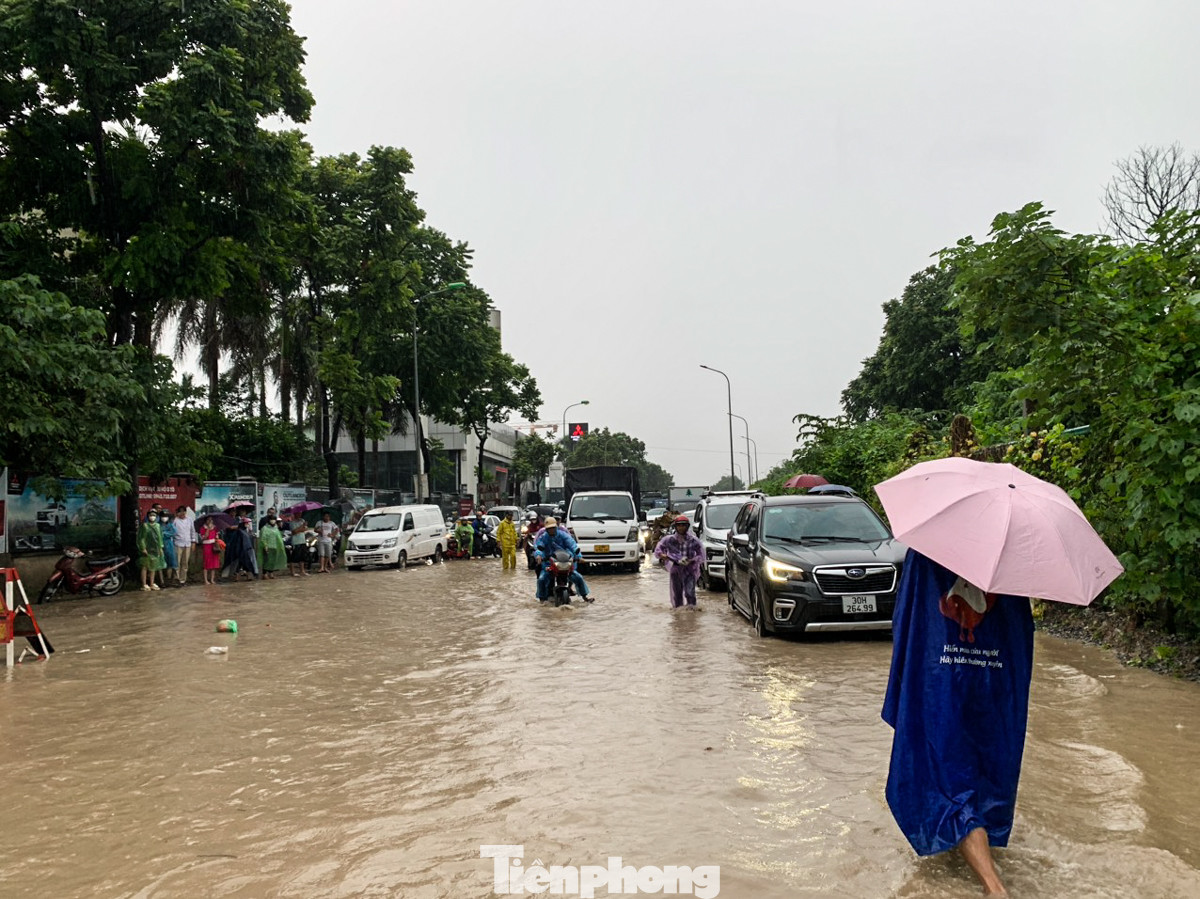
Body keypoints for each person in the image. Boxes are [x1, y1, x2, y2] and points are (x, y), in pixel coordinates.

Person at [881, 550, 1034, 897]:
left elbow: (908, 620)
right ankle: (972, 848)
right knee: (980, 773)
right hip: (995, 683)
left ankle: (994, 886)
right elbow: (1020, 633)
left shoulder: (927, 550)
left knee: (946, 776)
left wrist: (906, 684)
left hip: (938, 682)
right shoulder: (1013, 554)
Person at [533, 517, 592, 602]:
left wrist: (579, 556)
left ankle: (584, 596)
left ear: (556, 527)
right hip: (549, 563)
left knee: (578, 577)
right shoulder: (543, 537)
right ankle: (542, 599)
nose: (551, 530)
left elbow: (572, 545)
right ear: (546, 529)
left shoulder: (563, 535)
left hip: (564, 561)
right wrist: (538, 555)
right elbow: (539, 548)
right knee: (542, 579)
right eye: (549, 528)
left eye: (553, 528)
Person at [653, 514, 704, 609]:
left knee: (690, 593)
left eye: (683, 525)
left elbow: (701, 555)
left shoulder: (693, 540)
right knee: (677, 594)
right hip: (676, 569)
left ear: (687, 526)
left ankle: (692, 611)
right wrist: (663, 555)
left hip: (690, 570)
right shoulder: (669, 540)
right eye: (679, 525)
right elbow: (658, 549)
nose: (681, 527)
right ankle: (678, 612)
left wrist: (692, 560)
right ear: (675, 527)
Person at [137, 510, 165, 591]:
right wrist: (143, 548)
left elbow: (160, 537)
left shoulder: (158, 526)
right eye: (151, 515)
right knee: (145, 566)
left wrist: (160, 547)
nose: (152, 517)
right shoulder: (145, 526)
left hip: (155, 549)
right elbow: (141, 538)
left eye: (154, 515)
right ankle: (144, 584)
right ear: (148, 516)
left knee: (153, 567)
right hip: (146, 549)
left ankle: (152, 583)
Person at [172, 506, 197, 586]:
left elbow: (192, 531)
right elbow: (172, 532)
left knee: (185, 563)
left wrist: (193, 541)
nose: (182, 513)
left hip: (187, 544)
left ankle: (182, 580)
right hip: (178, 544)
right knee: (177, 563)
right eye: (180, 511)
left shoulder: (189, 520)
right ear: (178, 513)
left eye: (184, 511)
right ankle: (176, 579)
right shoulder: (175, 521)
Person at [259, 515, 287, 579]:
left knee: (273, 560)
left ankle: (271, 572)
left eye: (274, 519)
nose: (273, 521)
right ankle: (264, 573)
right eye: (271, 519)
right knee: (266, 560)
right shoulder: (264, 528)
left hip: (275, 546)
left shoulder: (275, 528)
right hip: (267, 546)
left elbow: (278, 537)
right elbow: (263, 538)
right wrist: (265, 545)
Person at [158, 509, 179, 588]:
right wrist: (165, 534)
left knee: (172, 562)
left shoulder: (170, 525)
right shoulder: (157, 525)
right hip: (159, 545)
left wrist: (164, 533)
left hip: (169, 545)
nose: (164, 518)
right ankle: (162, 581)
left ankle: (172, 580)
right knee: (160, 564)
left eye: (166, 516)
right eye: (163, 516)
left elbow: (174, 532)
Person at [198, 517, 222, 585]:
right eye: (208, 520)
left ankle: (212, 579)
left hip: (213, 546)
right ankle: (205, 580)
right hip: (207, 546)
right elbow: (204, 537)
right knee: (206, 563)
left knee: (214, 563)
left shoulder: (215, 528)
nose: (210, 521)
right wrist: (208, 529)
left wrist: (217, 537)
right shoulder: (203, 528)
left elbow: (217, 536)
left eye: (211, 520)